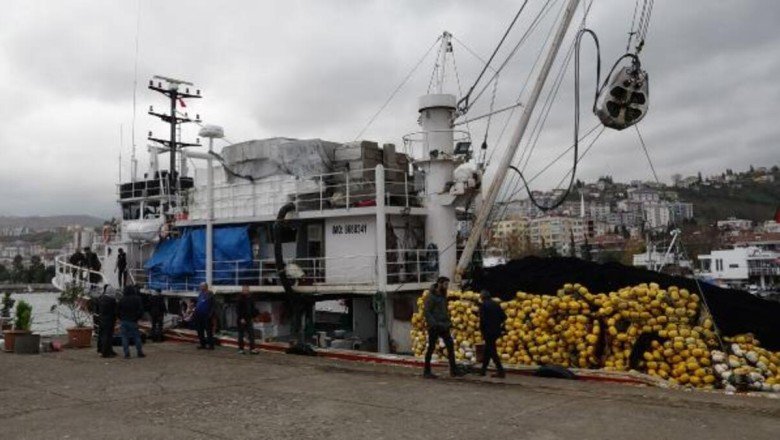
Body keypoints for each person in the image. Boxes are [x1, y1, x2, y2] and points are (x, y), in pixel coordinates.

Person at [423, 276, 463, 378]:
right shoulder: (431, 296)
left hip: (444, 326)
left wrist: (448, 322)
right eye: (445, 284)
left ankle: (453, 370)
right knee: (431, 348)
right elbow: (427, 312)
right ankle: (426, 371)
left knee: (450, 346)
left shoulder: (443, 295)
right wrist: (434, 324)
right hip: (435, 327)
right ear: (439, 284)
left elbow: (444, 311)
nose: (447, 286)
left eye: (447, 284)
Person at [479, 290, 506, 378]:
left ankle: (500, 370)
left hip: (488, 331)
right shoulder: (496, 304)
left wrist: (482, 331)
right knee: (488, 349)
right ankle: (483, 370)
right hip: (496, 330)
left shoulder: (483, 305)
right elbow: (504, 317)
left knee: (492, 351)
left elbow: (482, 320)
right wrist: (497, 323)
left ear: (482, 297)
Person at [118, 285, 145, 359]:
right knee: (136, 337)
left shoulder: (122, 299)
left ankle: (127, 354)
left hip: (124, 321)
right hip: (133, 321)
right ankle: (139, 352)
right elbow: (141, 310)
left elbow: (118, 310)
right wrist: (137, 318)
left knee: (124, 337)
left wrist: (121, 318)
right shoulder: (137, 299)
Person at [97, 284, 118, 358]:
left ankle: (103, 350)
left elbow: (97, 309)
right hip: (110, 320)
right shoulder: (112, 300)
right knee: (108, 336)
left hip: (102, 319)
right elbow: (115, 311)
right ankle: (106, 352)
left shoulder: (101, 298)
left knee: (102, 335)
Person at [236, 285, 258, 354]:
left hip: (249, 318)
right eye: (244, 290)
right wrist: (241, 318)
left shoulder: (251, 298)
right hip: (242, 319)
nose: (246, 291)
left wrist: (255, 316)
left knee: (251, 334)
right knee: (241, 334)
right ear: (242, 291)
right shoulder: (239, 299)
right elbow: (238, 310)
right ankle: (241, 349)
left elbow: (253, 308)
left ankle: (252, 349)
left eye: (247, 290)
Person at [194, 282, 215, 350]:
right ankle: (202, 344)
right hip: (199, 315)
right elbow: (198, 303)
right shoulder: (200, 294)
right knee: (200, 330)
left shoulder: (210, 294)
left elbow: (213, 306)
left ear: (206, 287)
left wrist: (210, 315)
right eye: (200, 286)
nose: (200, 287)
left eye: (202, 286)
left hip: (206, 316)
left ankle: (211, 345)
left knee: (208, 331)